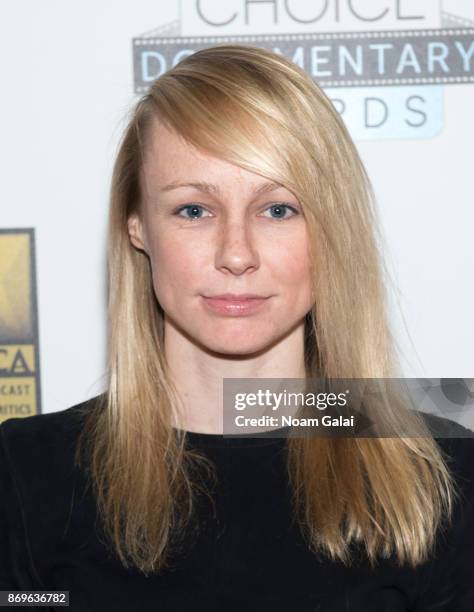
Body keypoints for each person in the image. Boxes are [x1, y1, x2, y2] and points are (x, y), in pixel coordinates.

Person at [0, 44, 473, 611]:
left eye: (278, 209)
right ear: (137, 227)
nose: (236, 254)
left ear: (332, 230)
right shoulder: (23, 477)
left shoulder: (440, 475)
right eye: (193, 210)